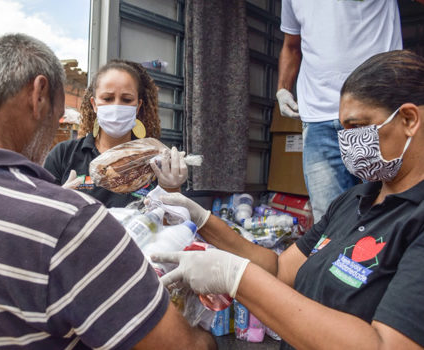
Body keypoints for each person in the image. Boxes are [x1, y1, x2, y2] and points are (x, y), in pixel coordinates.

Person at [0, 34, 216, 350]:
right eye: (59, 112)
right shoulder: (69, 221)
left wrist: (170, 191)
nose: (56, 124)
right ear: (39, 95)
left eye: (126, 99)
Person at [153, 50, 424, 349]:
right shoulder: (355, 198)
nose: (346, 142)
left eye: (357, 127)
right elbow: (282, 270)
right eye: (343, 129)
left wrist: (235, 278)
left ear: (409, 119)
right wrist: (201, 219)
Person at [276, 0, 403, 222]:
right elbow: (291, 45)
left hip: (374, 112)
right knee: (329, 222)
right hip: (318, 120)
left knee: (387, 218)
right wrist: (283, 89)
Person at [44, 59, 187, 208]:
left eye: (126, 99)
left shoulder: (155, 160)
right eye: (107, 98)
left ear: (137, 106)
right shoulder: (64, 154)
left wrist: (172, 189)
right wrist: (56, 202)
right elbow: (39, 215)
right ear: (94, 104)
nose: (116, 106)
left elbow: (172, 223)